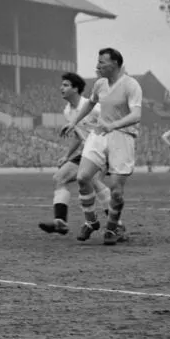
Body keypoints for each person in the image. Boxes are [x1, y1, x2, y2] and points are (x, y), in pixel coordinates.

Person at [61, 48, 143, 246]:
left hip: (122, 137)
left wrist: (113, 125)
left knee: (116, 191)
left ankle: (113, 229)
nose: (97, 66)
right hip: (99, 135)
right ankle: (91, 222)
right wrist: (74, 121)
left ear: (115, 64)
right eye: (97, 62)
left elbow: (136, 115)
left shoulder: (131, 85)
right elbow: (90, 104)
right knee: (82, 177)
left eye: (102, 63)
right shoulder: (99, 84)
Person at [39, 72, 115, 236]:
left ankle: (116, 225)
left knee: (93, 181)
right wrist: (67, 156)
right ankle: (61, 222)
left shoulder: (92, 106)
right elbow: (78, 136)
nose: (61, 88)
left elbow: (111, 123)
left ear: (76, 89)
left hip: (102, 150)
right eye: (62, 85)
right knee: (59, 178)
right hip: (86, 152)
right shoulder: (68, 111)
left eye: (66, 85)